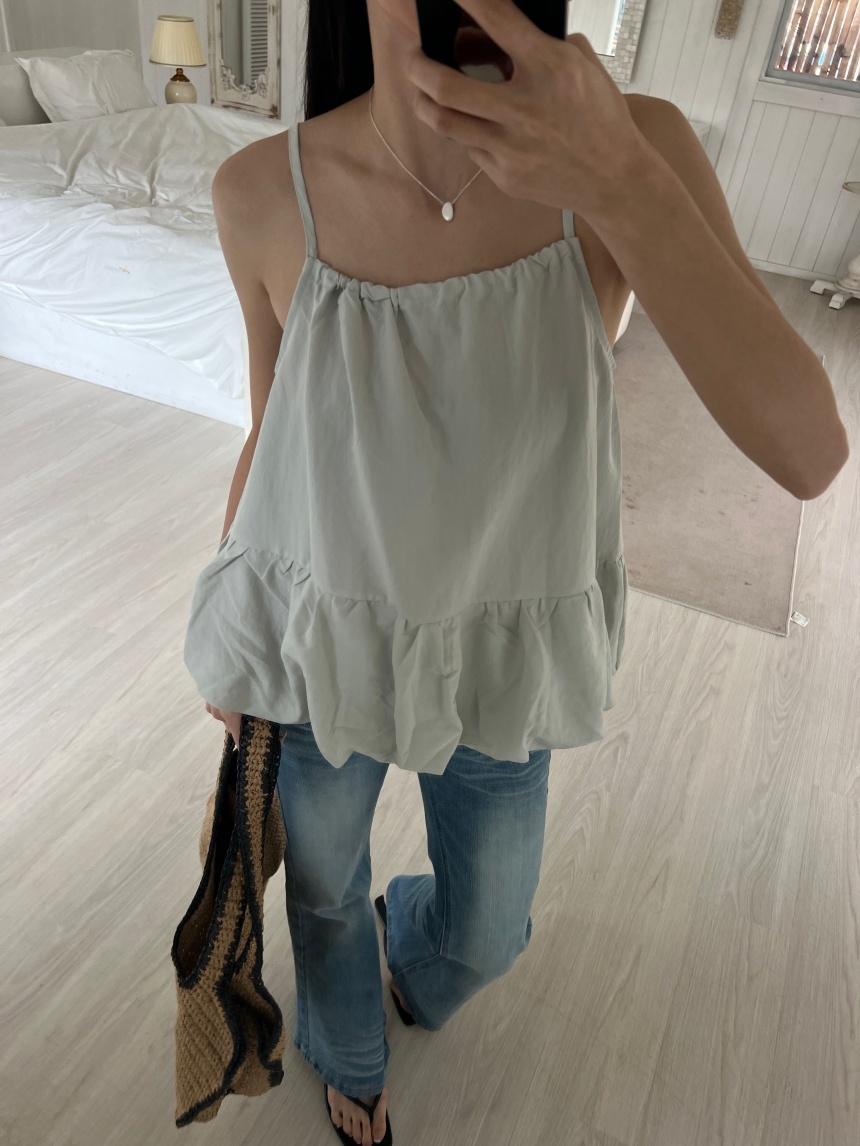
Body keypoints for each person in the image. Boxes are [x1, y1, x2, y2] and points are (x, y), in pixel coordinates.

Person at [186, 1, 633, 1141]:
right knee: (324, 888)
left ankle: (420, 948)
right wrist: (234, 641)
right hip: (320, 642)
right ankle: (348, 1050)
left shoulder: (602, 177)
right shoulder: (259, 189)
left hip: (500, 648)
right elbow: (272, 434)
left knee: (489, 930)